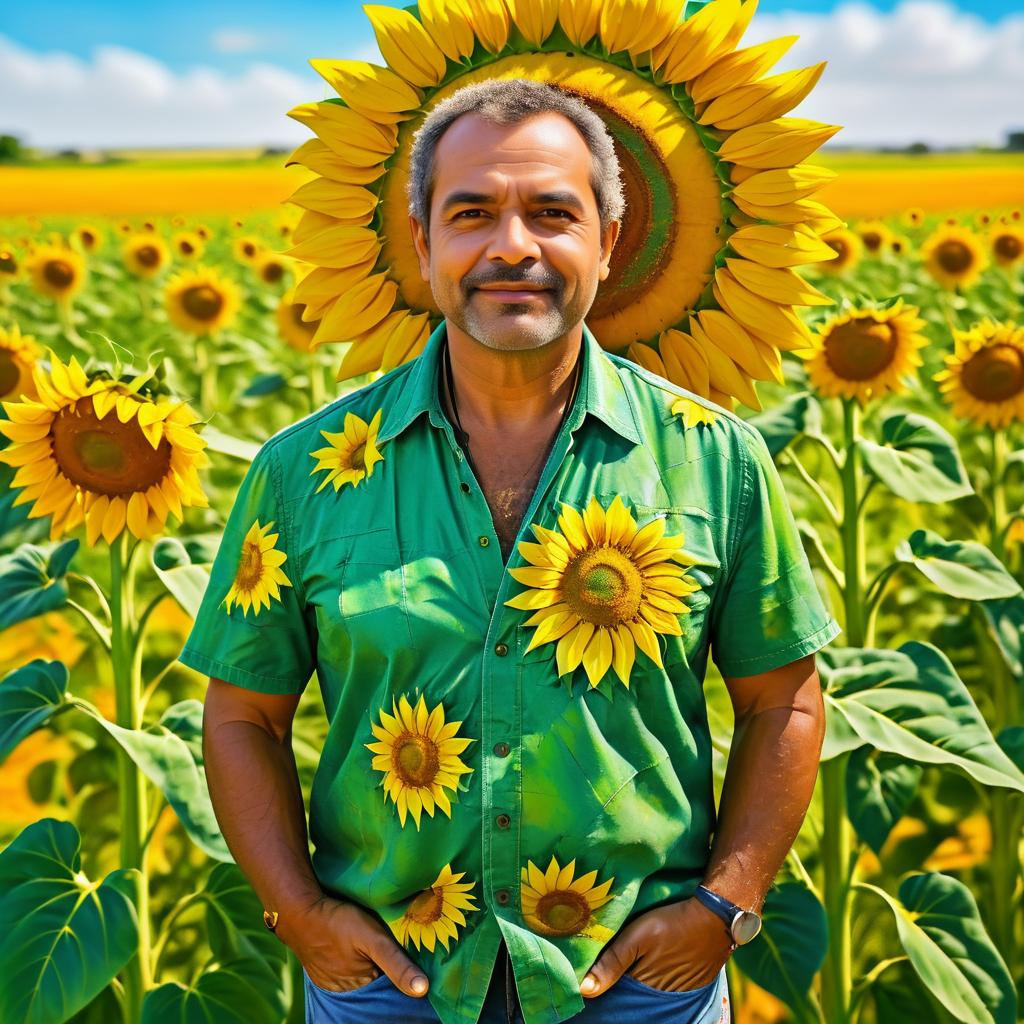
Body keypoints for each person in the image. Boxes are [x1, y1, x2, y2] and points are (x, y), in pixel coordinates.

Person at [179, 78, 841, 1024]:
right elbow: (243, 713)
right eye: (473, 212)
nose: (512, 247)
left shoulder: (714, 463)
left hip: (638, 987)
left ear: (609, 244)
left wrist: (725, 907)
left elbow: (785, 696)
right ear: (423, 244)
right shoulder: (303, 475)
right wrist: (301, 915)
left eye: (553, 213)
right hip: (387, 985)